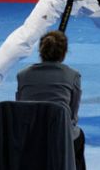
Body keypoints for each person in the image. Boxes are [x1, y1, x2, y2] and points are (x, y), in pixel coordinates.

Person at [16, 30, 86, 170]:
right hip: (61, 136)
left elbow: (19, 108)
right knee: (79, 135)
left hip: (28, 137)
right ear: (64, 52)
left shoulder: (22, 75)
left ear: (40, 50)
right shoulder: (73, 76)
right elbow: (72, 115)